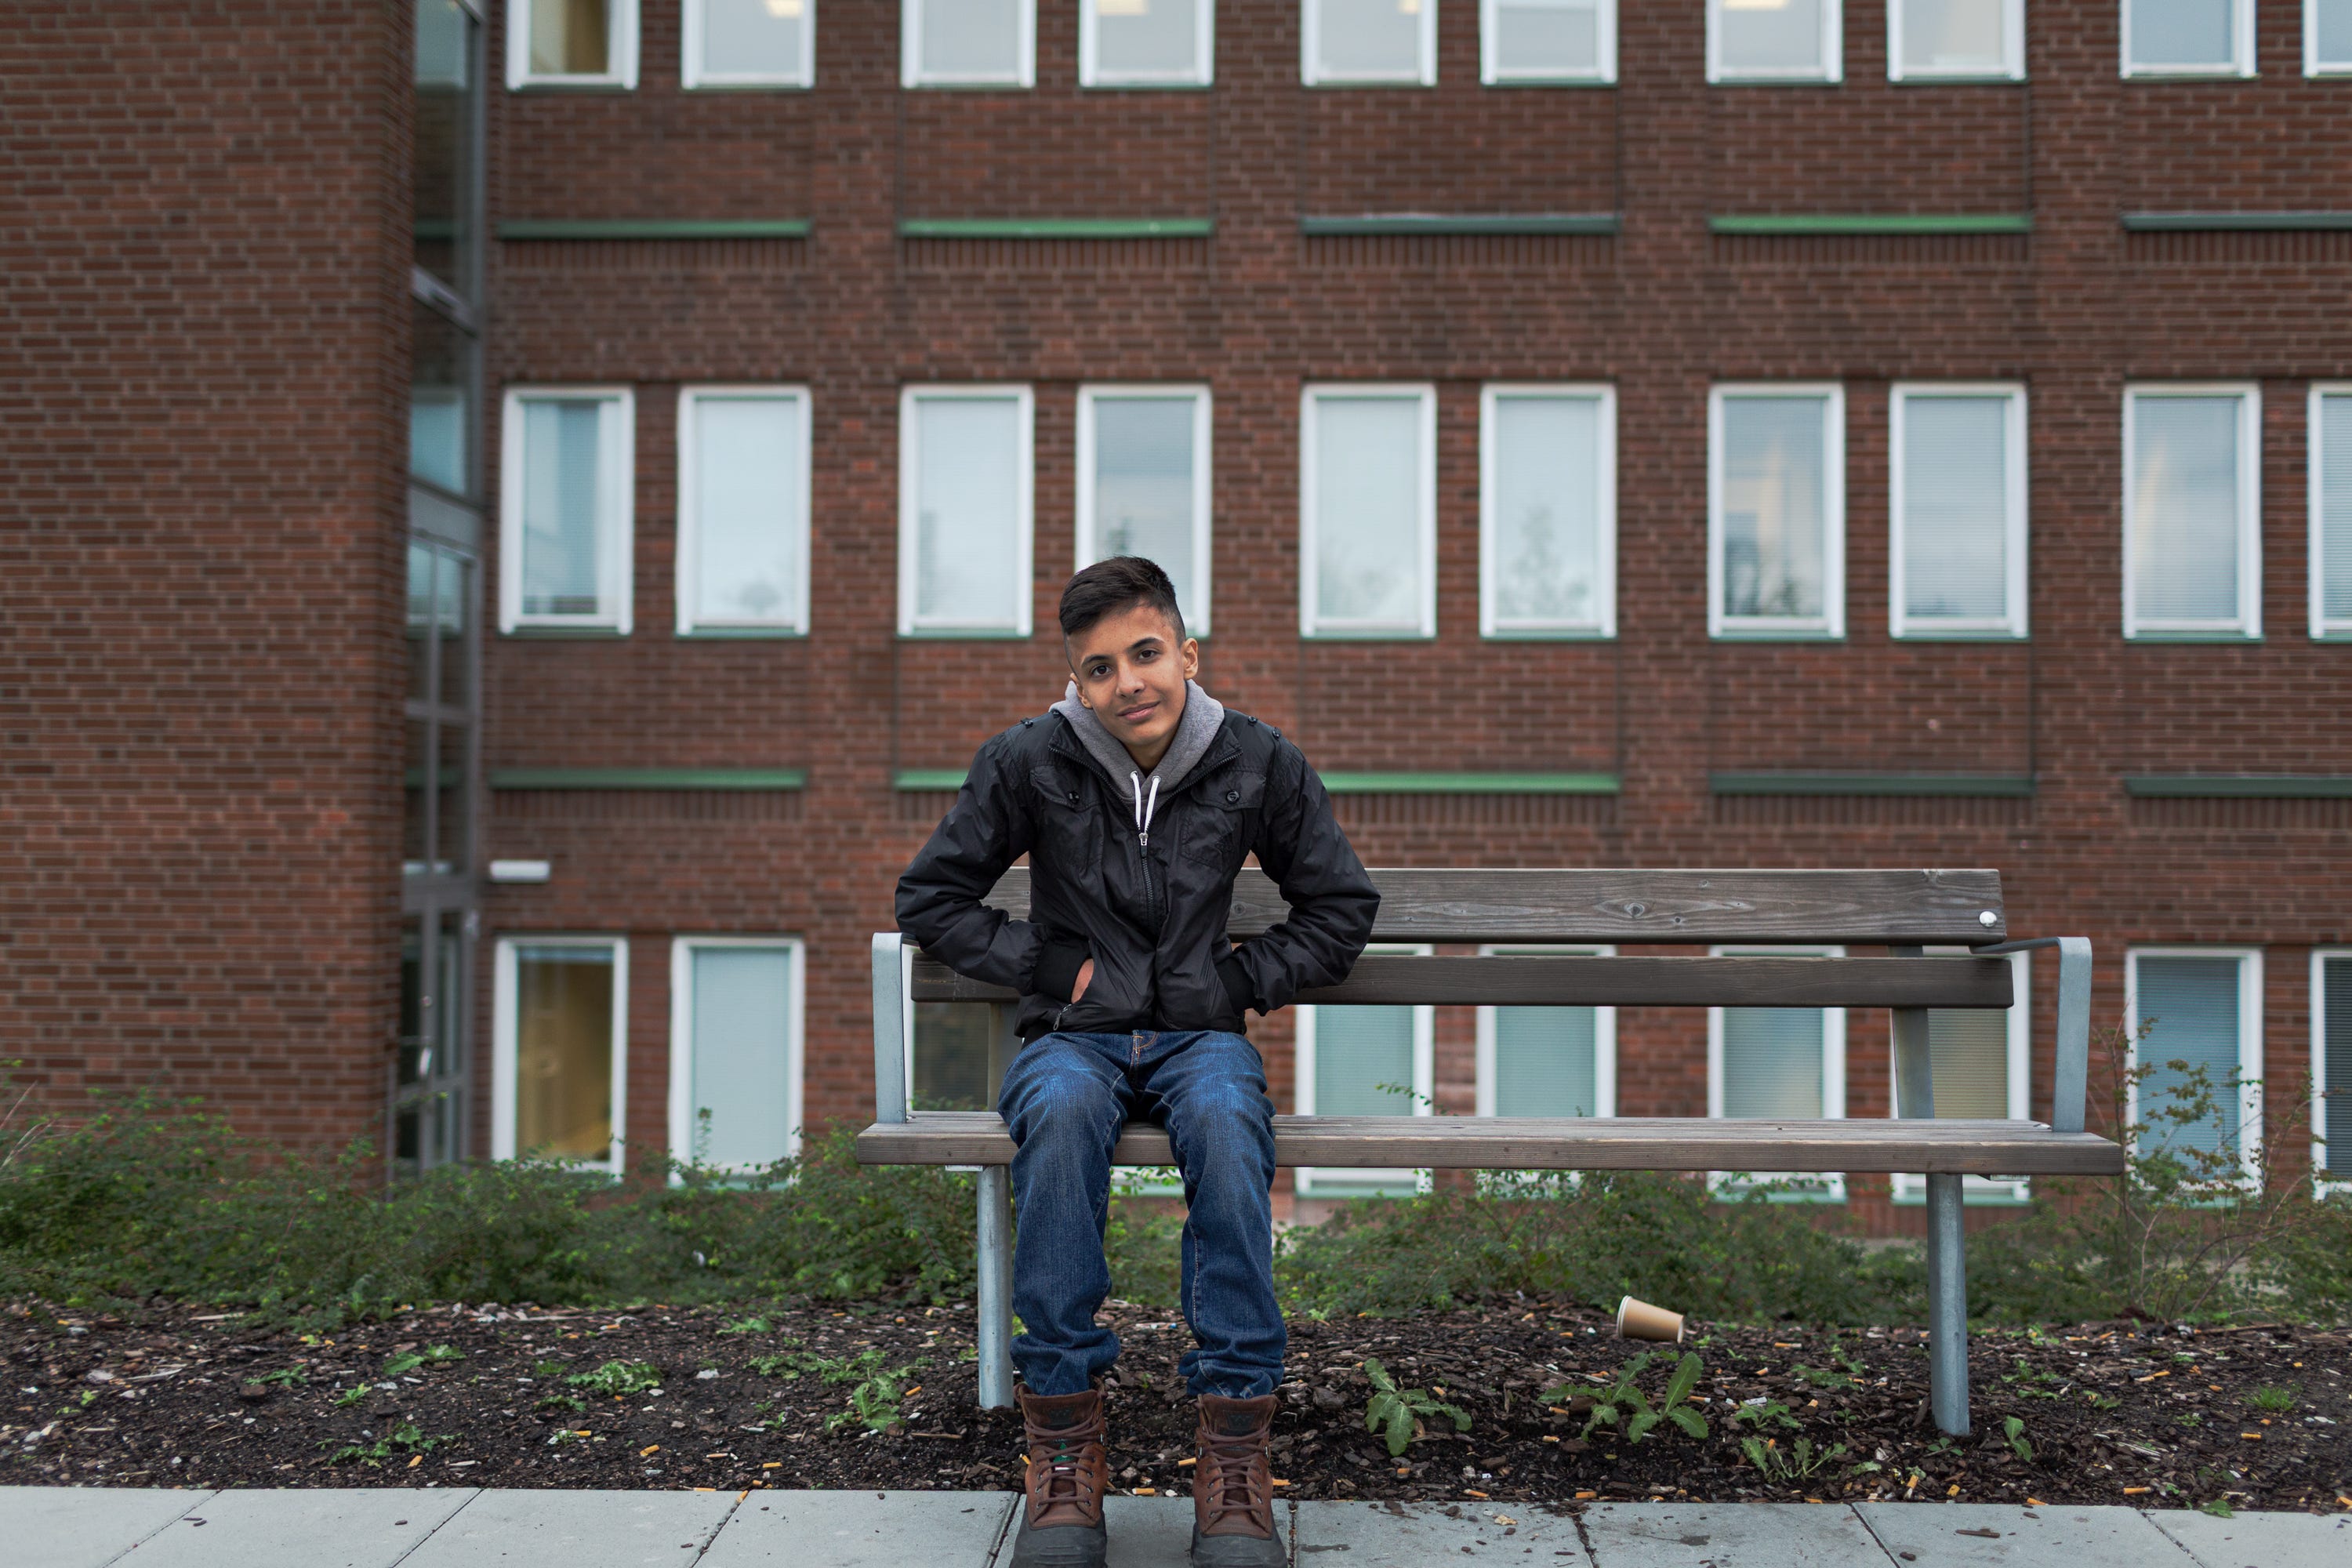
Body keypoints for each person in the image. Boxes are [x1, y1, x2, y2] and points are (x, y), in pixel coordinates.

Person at [897, 557, 1378, 1568]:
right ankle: (1064, 1451)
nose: (1128, 683)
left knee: (1228, 1124)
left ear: (1187, 655)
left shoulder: (1257, 761)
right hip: (1072, 1038)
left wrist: (1237, 982)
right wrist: (1048, 967)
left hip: (1202, 1037)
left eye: (1146, 654)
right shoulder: (1029, 761)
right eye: (1100, 667)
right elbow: (931, 898)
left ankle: (1234, 1456)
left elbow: (1339, 909)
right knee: (1060, 1115)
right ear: (1076, 681)